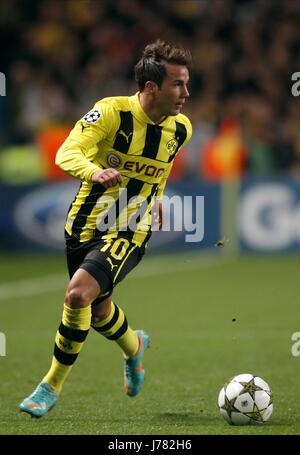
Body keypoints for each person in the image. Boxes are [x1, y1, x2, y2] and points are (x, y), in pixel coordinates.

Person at [19, 39, 192, 417]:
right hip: (82, 225)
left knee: (77, 295)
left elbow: (157, 176)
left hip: (130, 230)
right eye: (177, 84)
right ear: (151, 87)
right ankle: (135, 348)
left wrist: (152, 204)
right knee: (98, 311)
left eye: (185, 83)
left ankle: (50, 386)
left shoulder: (181, 130)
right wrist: (94, 171)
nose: (185, 93)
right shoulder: (112, 113)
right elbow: (67, 152)